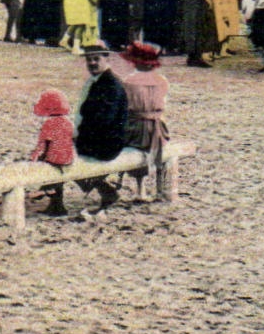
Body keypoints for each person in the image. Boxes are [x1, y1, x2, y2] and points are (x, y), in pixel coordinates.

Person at [72, 45, 129, 214]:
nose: (92, 63)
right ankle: (104, 188)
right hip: (104, 138)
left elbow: (104, 121)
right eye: (89, 60)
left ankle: (57, 200)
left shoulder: (110, 84)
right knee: (60, 147)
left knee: (57, 152)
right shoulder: (99, 81)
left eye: (96, 59)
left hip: (107, 143)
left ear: (107, 59)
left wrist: (78, 137)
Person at [120, 42, 170, 202]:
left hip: (136, 127)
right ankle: (159, 188)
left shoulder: (129, 81)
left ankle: (140, 189)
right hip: (158, 127)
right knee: (160, 147)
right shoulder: (162, 81)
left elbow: (124, 106)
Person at [29, 89, 77, 217]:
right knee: (58, 180)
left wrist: (36, 157)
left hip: (54, 158)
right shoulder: (68, 122)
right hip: (67, 158)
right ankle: (57, 206)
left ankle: (45, 190)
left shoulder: (49, 123)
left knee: (49, 174)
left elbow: (44, 144)